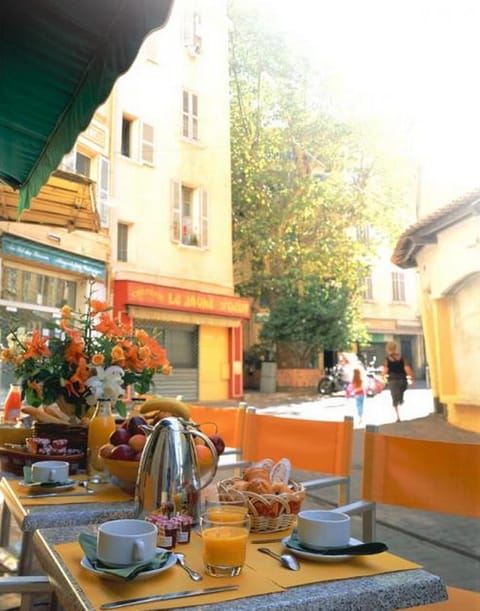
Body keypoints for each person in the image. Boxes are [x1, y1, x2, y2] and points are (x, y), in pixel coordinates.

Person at [382, 341, 414, 422]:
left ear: (387, 349)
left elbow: (385, 370)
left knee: (394, 397)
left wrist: (383, 378)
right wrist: (412, 378)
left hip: (392, 380)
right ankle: (401, 399)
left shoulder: (387, 359)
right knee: (400, 393)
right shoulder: (402, 358)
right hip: (403, 380)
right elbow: (407, 368)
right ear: (396, 348)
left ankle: (398, 416)